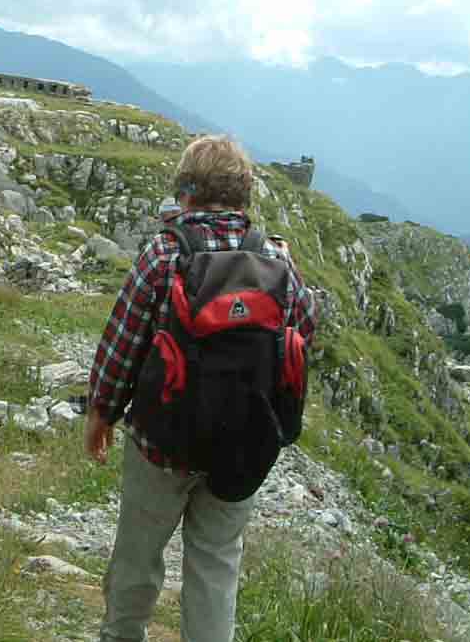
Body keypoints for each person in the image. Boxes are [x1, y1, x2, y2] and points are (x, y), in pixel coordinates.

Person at [86, 135, 317, 642]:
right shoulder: (279, 262)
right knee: (215, 570)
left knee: (138, 557)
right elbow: (300, 340)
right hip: (242, 447)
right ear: (244, 193)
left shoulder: (165, 254)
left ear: (186, 190)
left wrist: (101, 412)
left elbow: (123, 342)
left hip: (161, 445)